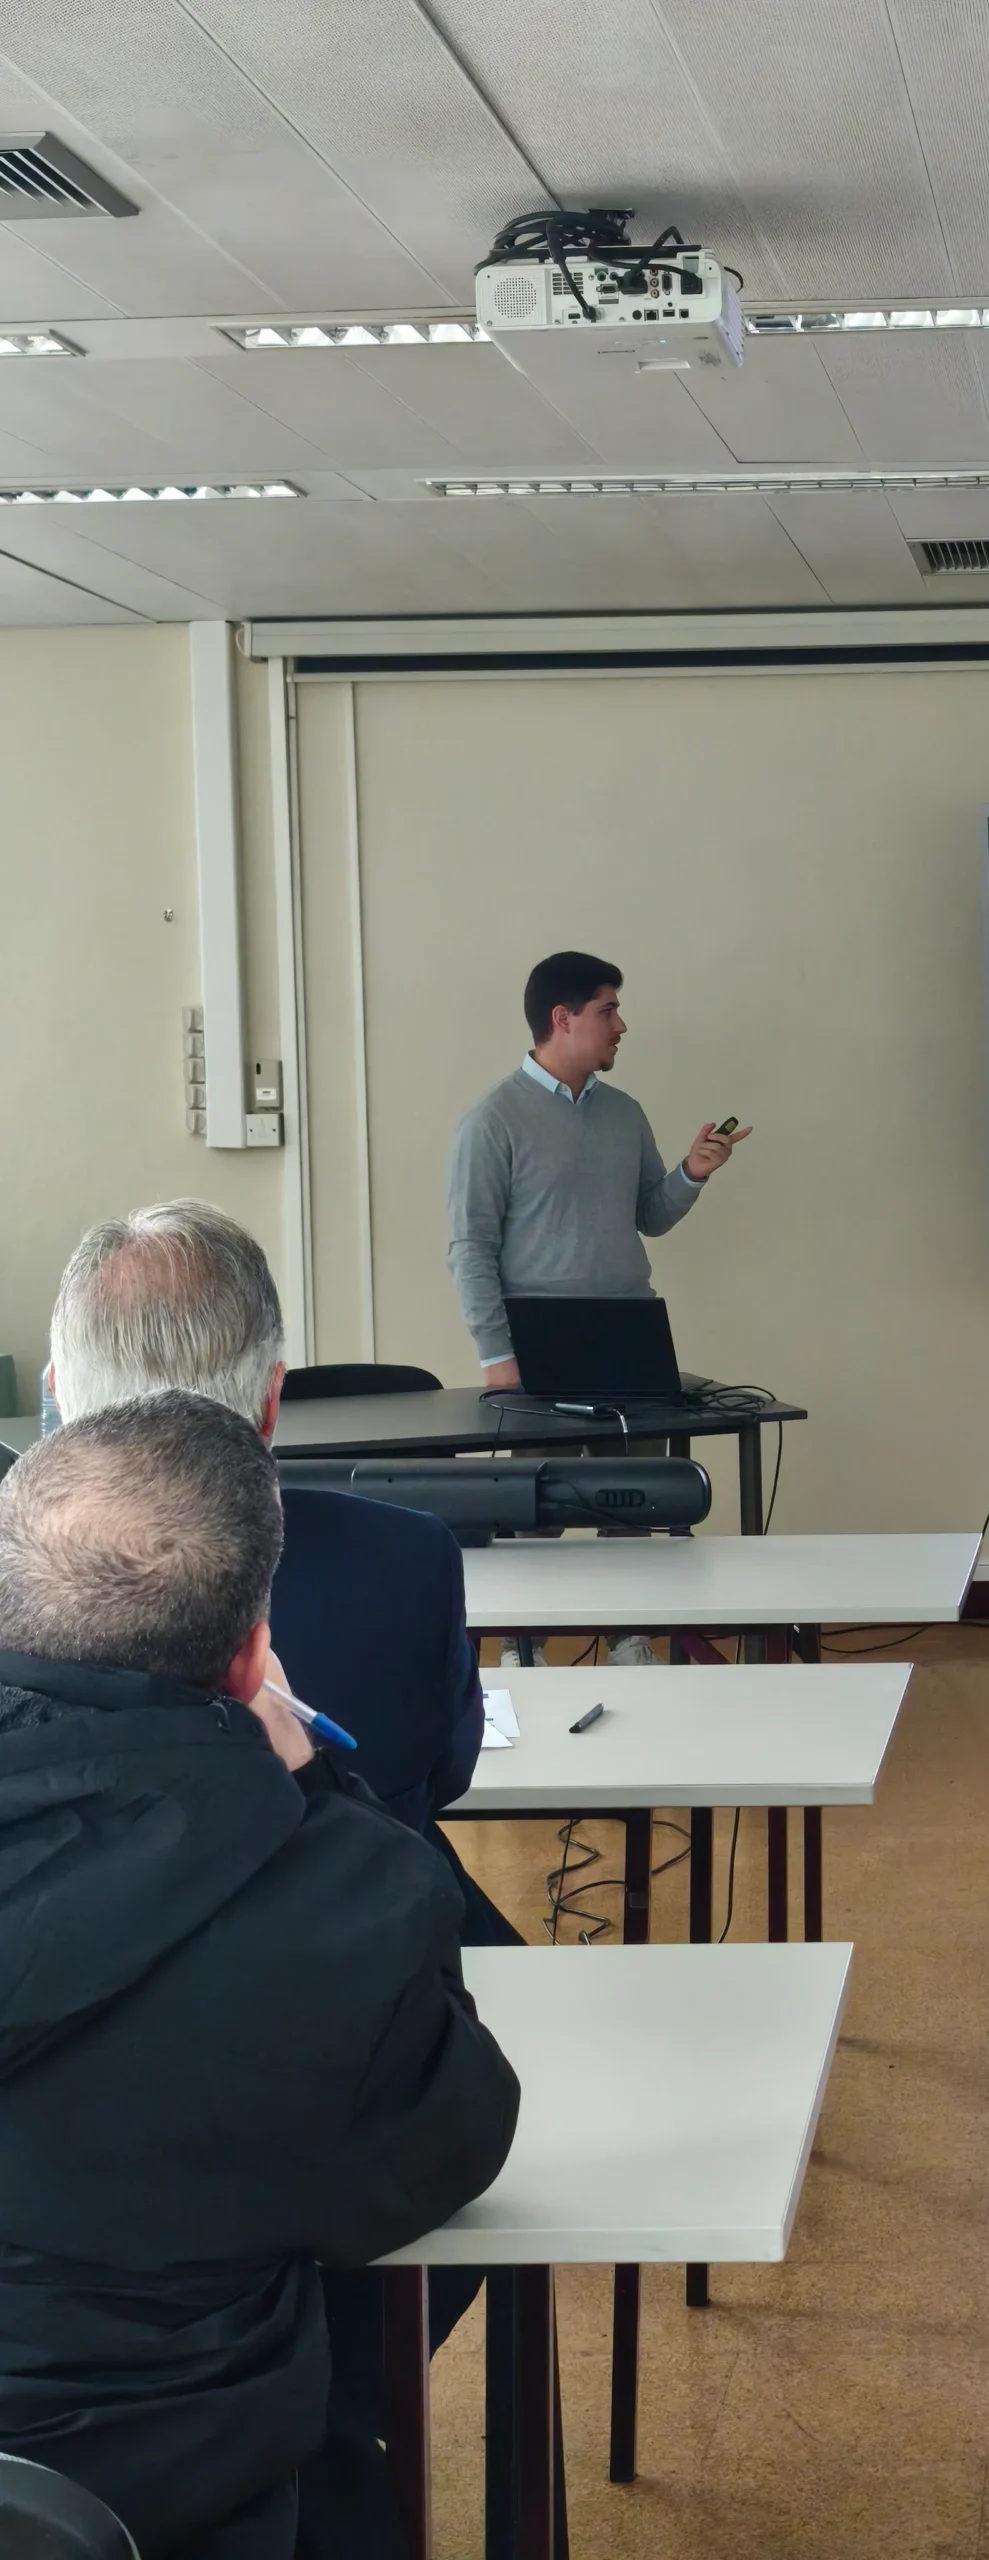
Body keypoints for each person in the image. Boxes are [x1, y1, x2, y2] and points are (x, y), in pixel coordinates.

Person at [0, 1392, 519, 2560]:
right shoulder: (338, 1903)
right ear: (251, 1656)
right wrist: (317, 1787)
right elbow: (443, 2150)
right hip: (185, 2507)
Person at [49, 1202, 490, 1852]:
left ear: (59, 1396)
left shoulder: (24, 1595)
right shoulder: (409, 1558)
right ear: (272, 1400)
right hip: (371, 1901)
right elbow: (447, 1775)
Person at [447, 949, 750, 1392]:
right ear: (563, 1018)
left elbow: (650, 1217)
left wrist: (692, 1172)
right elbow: (471, 1246)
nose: (620, 1026)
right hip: (539, 1333)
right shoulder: (492, 1120)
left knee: (663, 1443)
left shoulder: (625, 1112)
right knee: (549, 1446)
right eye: (607, 1011)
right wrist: (496, 1355)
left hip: (633, 1326)